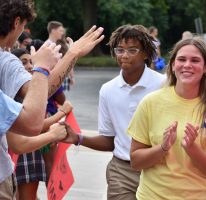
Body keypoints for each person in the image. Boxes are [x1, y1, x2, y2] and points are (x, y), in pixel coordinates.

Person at [0, 0, 104, 199]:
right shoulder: (7, 59)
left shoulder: (5, 59)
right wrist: (41, 68)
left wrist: (71, 54)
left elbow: (39, 90)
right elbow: (31, 124)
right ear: (16, 22)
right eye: (23, 26)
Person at [63, 24, 165, 200]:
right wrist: (78, 138)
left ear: (146, 53)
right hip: (122, 171)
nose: (124, 55)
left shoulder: (163, 85)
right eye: (120, 50)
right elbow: (109, 140)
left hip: (159, 169)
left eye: (132, 50)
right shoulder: (108, 90)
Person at [127, 38, 206, 199]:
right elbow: (135, 162)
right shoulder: (151, 102)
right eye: (182, 59)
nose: (187, 65)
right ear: (172, 65)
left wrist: (192, 148)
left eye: (195, 60)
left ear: (205, 68)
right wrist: (162, 148)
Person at [10, 47, 72, 200]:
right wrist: (60, 114)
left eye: (31, 62)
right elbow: (32, 125)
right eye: (23, 63)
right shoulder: (15, 94)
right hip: (23, 150)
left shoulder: (35, 86)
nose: (30, 66)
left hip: (30, 147)